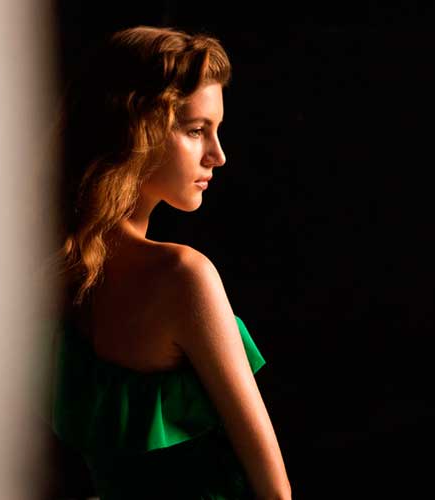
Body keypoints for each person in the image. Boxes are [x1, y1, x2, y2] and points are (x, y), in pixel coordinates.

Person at [44, 25, 292, 499]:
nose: (218, 155)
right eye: (196, 130)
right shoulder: (182, 277)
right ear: (135, 130)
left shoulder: (54, 275)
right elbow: (275, 492)